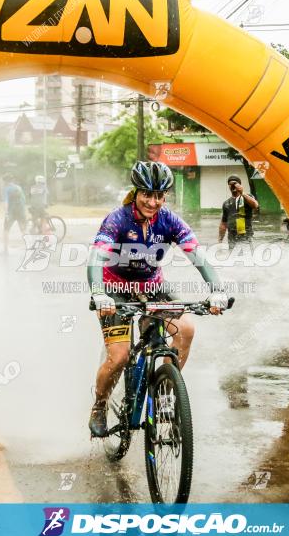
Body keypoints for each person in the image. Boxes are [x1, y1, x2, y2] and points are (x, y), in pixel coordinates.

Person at [87, 161, 228, 437]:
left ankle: (165, 393)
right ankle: (99, 406)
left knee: (186, 328)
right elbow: (95, 259)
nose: (153, 202)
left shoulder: (170, 221)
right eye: (147, 195)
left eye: (159, 196)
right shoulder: (117, 219)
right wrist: (99, 293)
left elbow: (198, 256)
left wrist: (217, 289)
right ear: (136, 193)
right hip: (115, 290)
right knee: (119, 357)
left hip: (153, 287)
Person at [218, 175, 259, 249]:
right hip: (232, 237)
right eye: (230, 184)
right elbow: (223, 223)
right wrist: (220, 240)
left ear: (239, 185)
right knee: (232, 258)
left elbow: (255, 205)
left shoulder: (247, 197)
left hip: (246, 236)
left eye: (235, 183)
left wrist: (242, 193)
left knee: (246, 257)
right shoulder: (226, 203)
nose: (232, 186)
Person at [2, 175, 27, 253]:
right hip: (21, 211)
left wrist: (6, 213)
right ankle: (28, 248)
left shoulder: (6, 189)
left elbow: (6, 202)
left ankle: (5, 250)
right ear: (12, 180)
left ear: (6, 181)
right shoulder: (19, 188)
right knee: (23, 230)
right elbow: (24, 200)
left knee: (6, 230)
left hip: (11, 212)